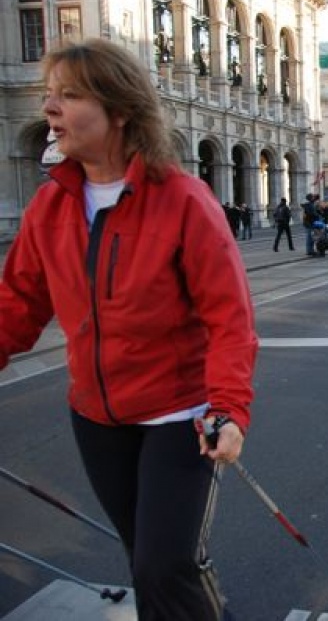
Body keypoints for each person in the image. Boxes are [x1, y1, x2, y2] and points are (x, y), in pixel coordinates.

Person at [0, 39, 257, 620]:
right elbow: (16, 304)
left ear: (120, 109)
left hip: (180, 418)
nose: (50, 109)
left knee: (163, 566)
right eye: (48, 96)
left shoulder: (185, 201)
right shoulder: (49, 209)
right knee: (148, 559)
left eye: (69, 95)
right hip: (97, 421)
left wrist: (230, 408)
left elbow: (229, 318)